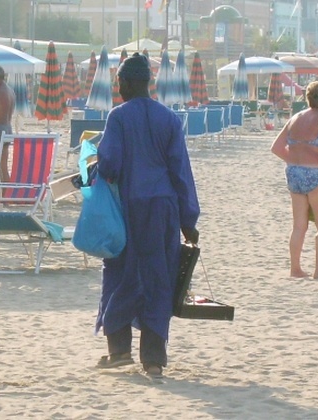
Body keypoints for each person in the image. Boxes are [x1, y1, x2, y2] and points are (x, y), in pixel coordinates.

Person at [94, 53, 200, 378]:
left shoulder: (119, 117)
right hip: (164, 210)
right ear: (149, 83)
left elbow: (110, 165)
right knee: (158, 278)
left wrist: (95, 169)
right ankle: (153, 359)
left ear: (125, 83)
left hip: (128, 208)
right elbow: (181, 171)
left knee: (120, 273)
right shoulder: (168, 118)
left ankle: (119, 350)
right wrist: (188, 220)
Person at [270, 81, 318, 279]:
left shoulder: (295, 118)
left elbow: (276, 148)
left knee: (299, 225)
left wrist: (296, 161)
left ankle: (295, 269)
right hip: (317, 174)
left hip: (294, 173)